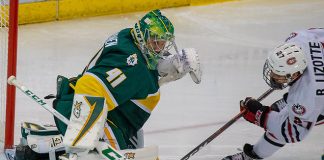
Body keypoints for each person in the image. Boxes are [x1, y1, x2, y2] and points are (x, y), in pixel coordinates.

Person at [55, 9, 201, 159]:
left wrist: (164, 66)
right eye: (155, 42)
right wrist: (80, 144)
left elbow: (141, 70)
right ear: (142, 35)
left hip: (117, 119)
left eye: (162, 43)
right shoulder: (131, 64)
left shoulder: (128, 36)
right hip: (90, 117)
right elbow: (89, 85)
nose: (159, 49)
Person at [222, 28, 324, 160]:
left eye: (279, 75)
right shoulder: (298, 38)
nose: (272, 76)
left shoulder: (309, 96)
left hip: (317, 97)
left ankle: (250, 157)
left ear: (295, 74)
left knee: (285, 122)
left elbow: (293, 132)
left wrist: (261, 115)